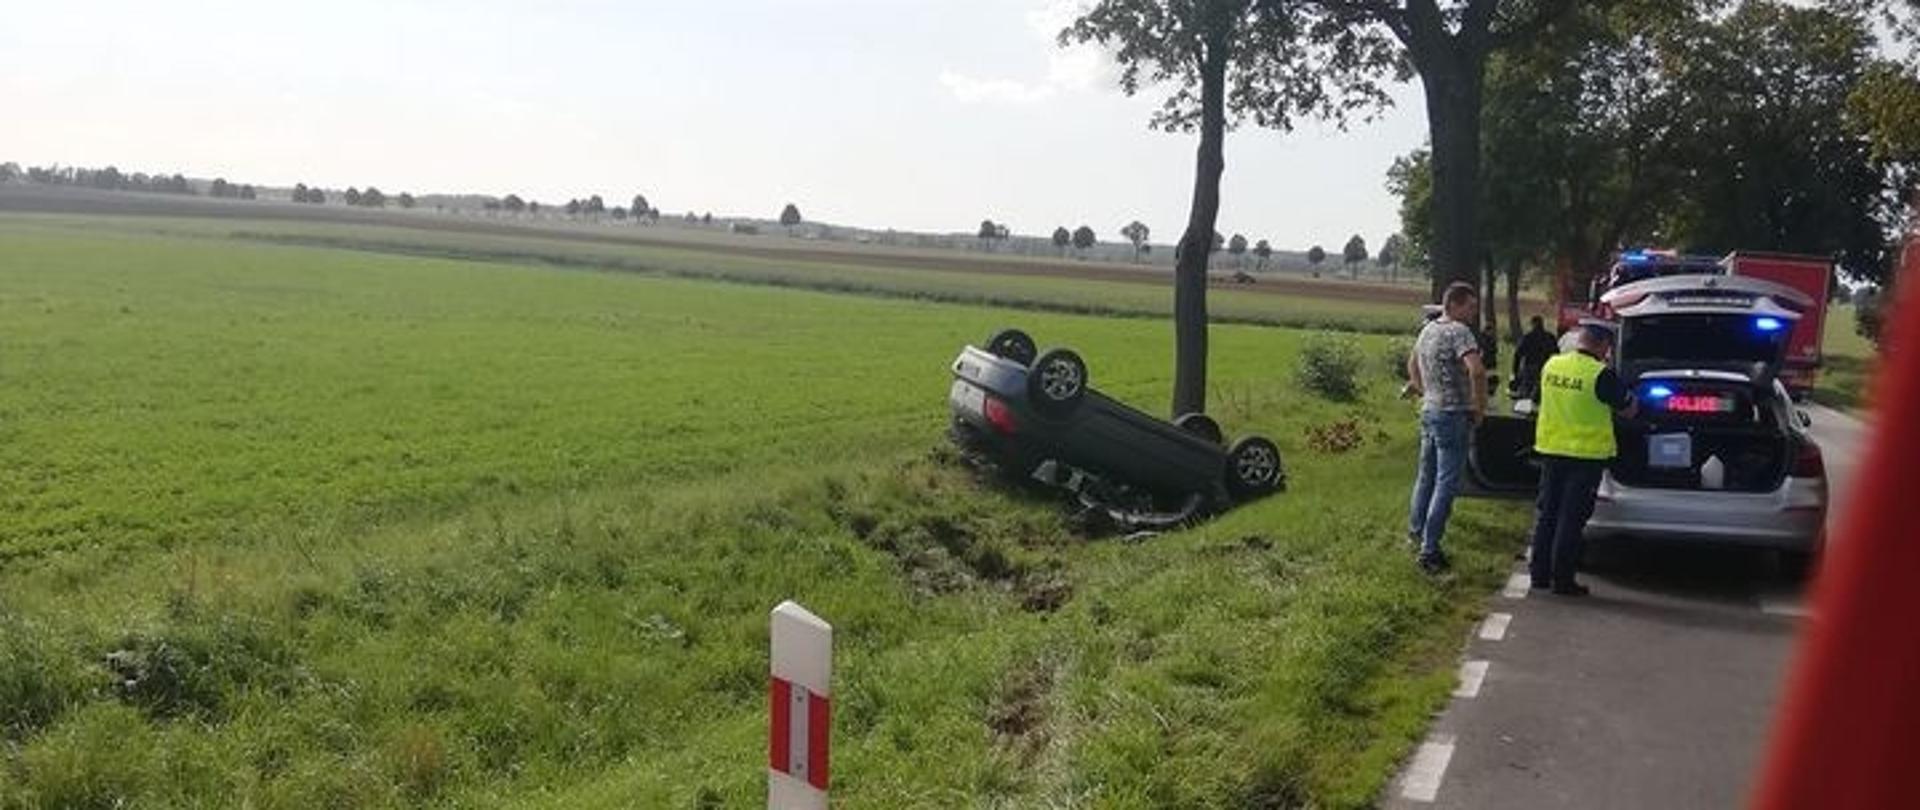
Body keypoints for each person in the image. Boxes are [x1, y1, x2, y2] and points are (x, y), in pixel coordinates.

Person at [1528, 321, 1637, 595]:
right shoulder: (1601, 374)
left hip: (1551, 451)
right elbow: (1628, 410)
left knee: (1547, 514)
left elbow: (1536, 400)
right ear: (1603, 346)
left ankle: (1539, 575)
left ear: (1580, 339)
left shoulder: (1552, 365)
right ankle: (1562, 580)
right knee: (1571, 518)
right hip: (1585, 457)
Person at [1404, 281, 1486, 574]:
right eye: (1471, 306)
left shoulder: (1428, 329)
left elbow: (1412, 362)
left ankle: (1415, 533)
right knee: (1446, 482)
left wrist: (1422, 388)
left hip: (1430, 410)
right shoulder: (1459, 332)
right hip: (1453, 413)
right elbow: (1476, 370)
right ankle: (1430, 549)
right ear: (1454, 304)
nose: (1474, 312)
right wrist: (1479, 407)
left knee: (1424, 477)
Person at [1513, 316, 1558, 402]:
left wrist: (1515, 372)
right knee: (1543, 393)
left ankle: (1525, 408)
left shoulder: (1527, 337)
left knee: (1526, 393)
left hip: (1529, 368)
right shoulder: (1550, 337)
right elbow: (1556, 354)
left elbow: (1517, 355)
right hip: (1545, 368)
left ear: (1532, 324)